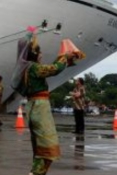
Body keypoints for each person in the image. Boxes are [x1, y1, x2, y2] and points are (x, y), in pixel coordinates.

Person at [11, 28, 76, 175]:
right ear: (35, 55)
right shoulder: (34, 68)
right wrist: (65, 57)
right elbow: (54, 69)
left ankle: (36, 171)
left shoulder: (27, 68)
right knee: (47, 146)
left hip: (34, 106)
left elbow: (49, 68)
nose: (42, 55)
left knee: (39, 145)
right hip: (40, 108)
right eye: (40, 53)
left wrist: (62, 59)